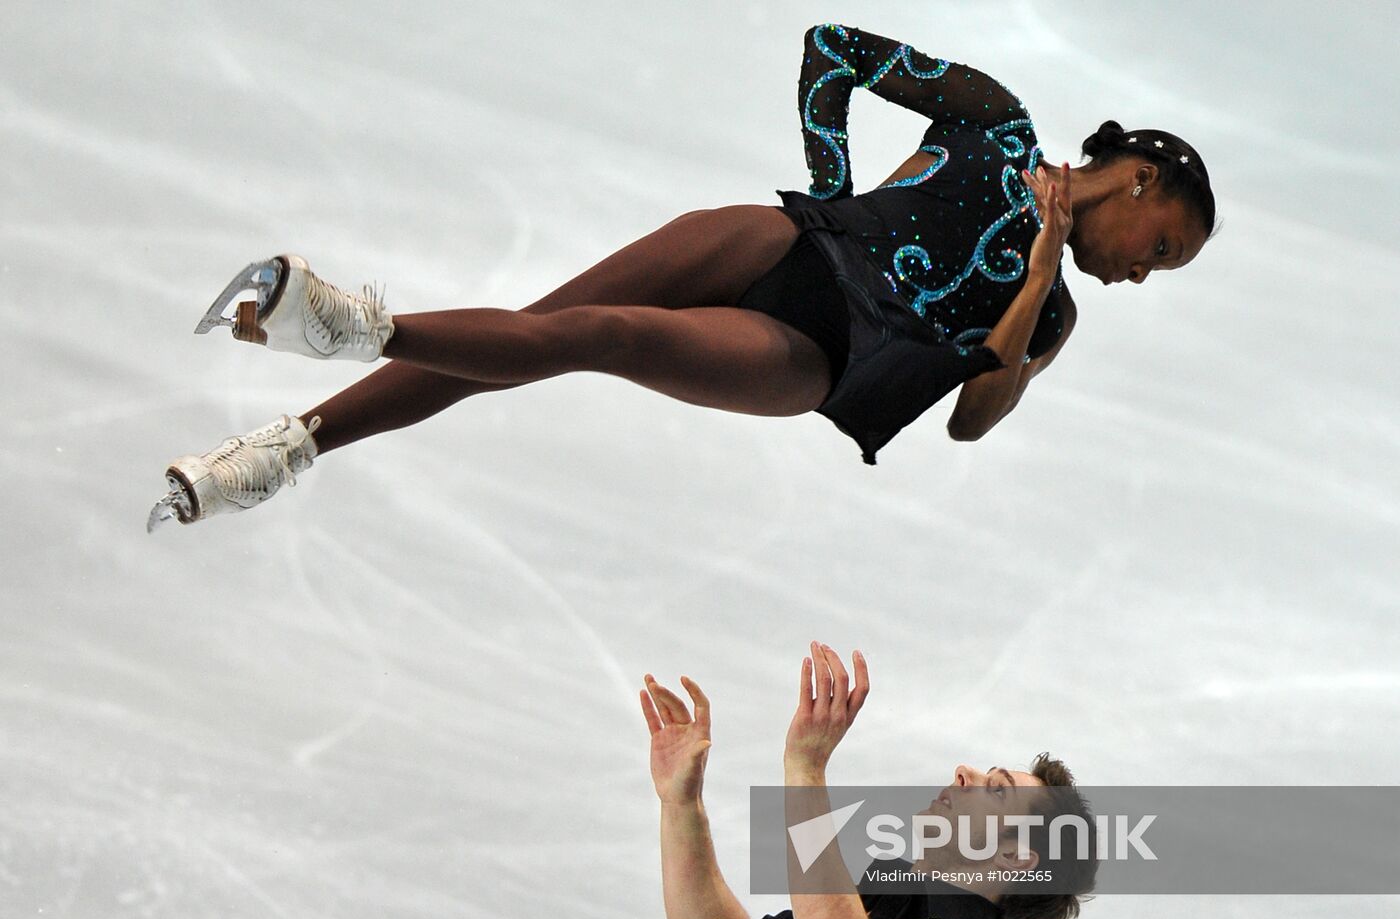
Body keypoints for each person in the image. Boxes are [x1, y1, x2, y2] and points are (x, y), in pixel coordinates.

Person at [149, 23, 1215, 530]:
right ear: (1136, 181)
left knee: (594, 339)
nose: (1139, 275)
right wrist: (833, 193)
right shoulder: (997, 118)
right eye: (1159, 246)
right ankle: (288, 447)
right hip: (779, 244)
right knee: (534, 325)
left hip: (817, 354)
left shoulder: (1054, 313)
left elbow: (970, 421)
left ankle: (369, 330)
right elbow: (831, 48)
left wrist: (1033, 275)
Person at [640, 643, 1097, 919]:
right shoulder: (875, 902)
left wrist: (806, 766)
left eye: (997, 791)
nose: (964, 772)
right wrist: (681, 806)